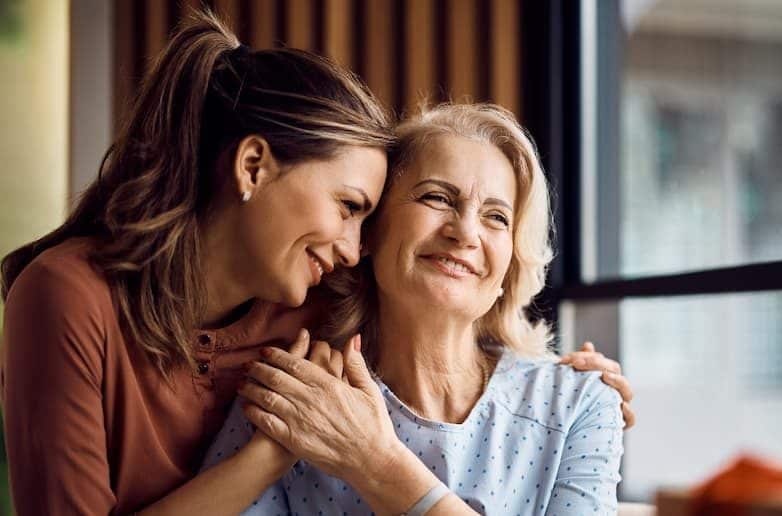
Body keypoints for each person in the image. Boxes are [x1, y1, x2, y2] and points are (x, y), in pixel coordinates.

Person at [0, 11, 631, 515]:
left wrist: (579, 384)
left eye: (497, 215)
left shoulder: (315, 308)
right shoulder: (71, 296)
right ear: (252, 167)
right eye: (350, 207)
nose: (352, 249)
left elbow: (446, 311)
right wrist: (273, 453)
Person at [203, 104, 627, 515]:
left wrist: (377, 463)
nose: (465, 233)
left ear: (510, 268)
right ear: (369, 232)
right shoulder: (295, 391)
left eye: (496, 217)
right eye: (437, 198)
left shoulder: (579, 404)